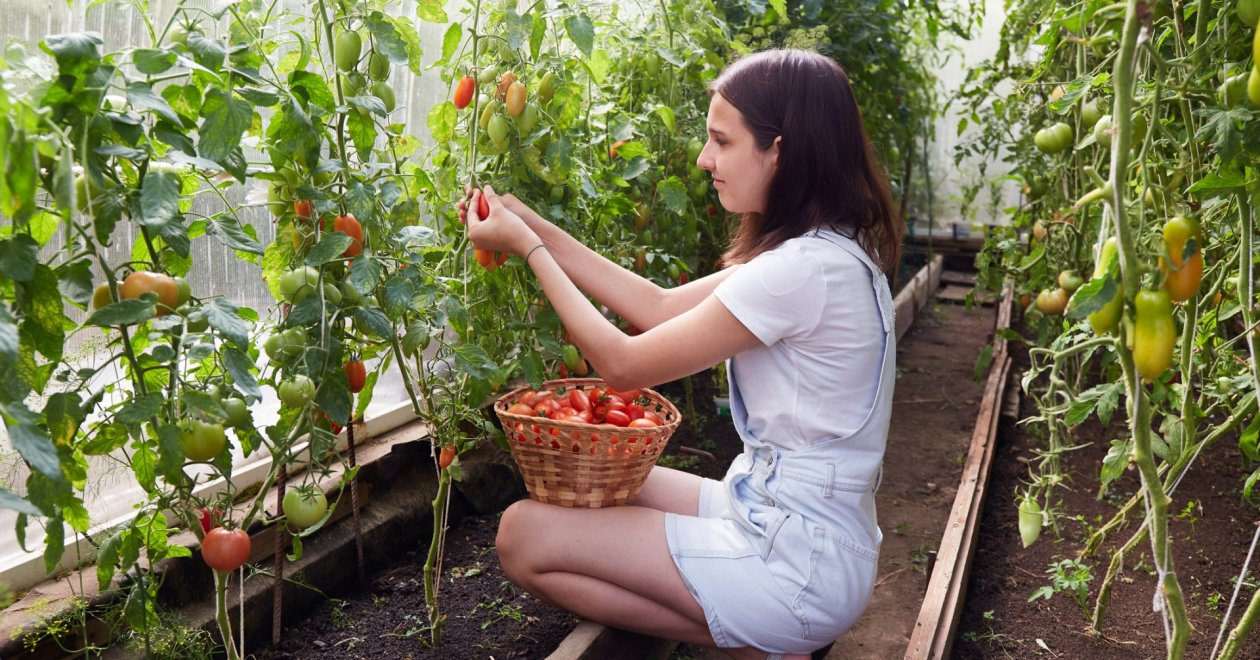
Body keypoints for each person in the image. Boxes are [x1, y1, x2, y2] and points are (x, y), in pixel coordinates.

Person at [457, 48, 901, 660]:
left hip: (795, 561)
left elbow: (623, 363)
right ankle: (761, 631)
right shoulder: (823, 254)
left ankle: (762, 633)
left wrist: (528, 248)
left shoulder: (800, 272)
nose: (704, 159)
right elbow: (658, 306)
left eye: (722, 141)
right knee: (606, 486)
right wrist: (531, 222)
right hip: (793, 524)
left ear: (781, 150)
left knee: (521, 533)